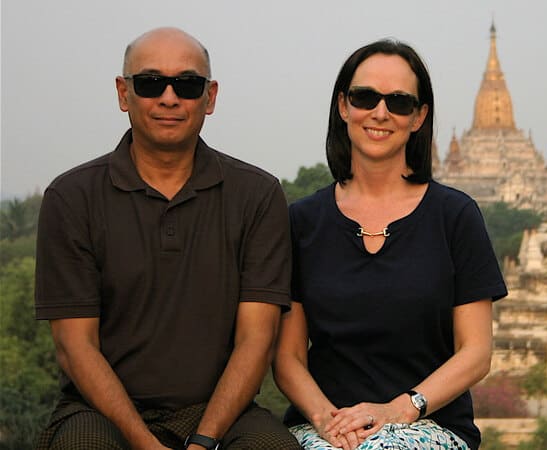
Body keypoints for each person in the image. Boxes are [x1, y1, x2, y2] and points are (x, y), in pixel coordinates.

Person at [34, 27, 300, 450]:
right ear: (124, 93)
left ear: (210, 97)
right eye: (151, 82)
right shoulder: (72, 198)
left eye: (188, 84)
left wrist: (204, 440)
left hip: (220, 410)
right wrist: (146, 444)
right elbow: (74, 346)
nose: (169, 98)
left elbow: (257, 339)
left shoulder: (257, 195)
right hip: (99, 411)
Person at [272, 39, 507, 450]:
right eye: (365, 97)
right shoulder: (303, 222)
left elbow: (476, 352)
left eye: (398, 102)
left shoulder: (455, 216)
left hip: (426, 422)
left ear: (419, 117)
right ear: (343, 106)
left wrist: (399, 409)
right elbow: (287, 357)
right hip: (324, 425)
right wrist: (330, 423)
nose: (380, 113)